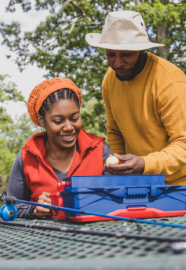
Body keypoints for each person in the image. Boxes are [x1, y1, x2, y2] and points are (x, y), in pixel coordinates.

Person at [86, 11, 186, 213]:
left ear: (140, 50)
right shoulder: (109, 80)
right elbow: (115, 131)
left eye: (126, 54)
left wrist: (145, 164)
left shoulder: (170, 82)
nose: (117, 63)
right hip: (134, 186)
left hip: (176, 186)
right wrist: (115, 168)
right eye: (110, 54)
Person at [8, 78, 113, 218]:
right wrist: (33, 210)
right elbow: (11, 207)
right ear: (41, 120)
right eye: (58, 121)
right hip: (42, 238)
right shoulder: (26, 157)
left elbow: (117, 200)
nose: (69, 127)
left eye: (74, 118)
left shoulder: (100, 151)